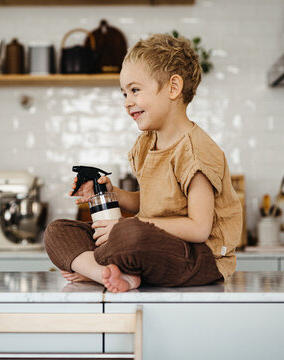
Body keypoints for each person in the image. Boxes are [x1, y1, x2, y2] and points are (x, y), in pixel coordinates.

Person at [44, 33, 242, 293]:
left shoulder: (196, 152)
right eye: (124, 93)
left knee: (129, 234)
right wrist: (112, 195)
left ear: (173, 88)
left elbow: (199, 228)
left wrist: (126, 227)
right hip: (152, 249)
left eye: (135, 90)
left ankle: (99, 267)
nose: (127, 102)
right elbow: (150, 203)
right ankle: (104, 272)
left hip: (199, 257)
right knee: (57, 232)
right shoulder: (147, 144)